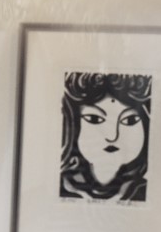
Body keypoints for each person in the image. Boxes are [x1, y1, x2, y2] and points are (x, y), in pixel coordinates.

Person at [59, 71, 151, 202]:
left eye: (130, 120)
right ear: (73, 123)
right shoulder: (60, 187)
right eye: (94, 119)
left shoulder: (150, 191)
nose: (112, 136)